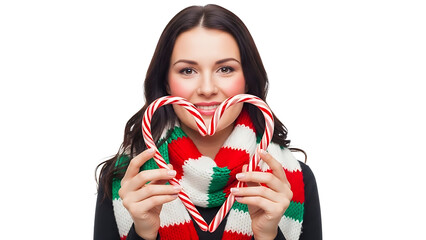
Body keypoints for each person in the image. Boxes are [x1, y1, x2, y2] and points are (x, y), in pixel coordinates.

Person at [94, 4, 321, 240]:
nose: (207, 89)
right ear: (166, 83)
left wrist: (268, 235)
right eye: (188, 71)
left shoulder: (294, 180)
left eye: (225, 69)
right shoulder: (124, 180)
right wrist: (142, 233)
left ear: (248, 81)